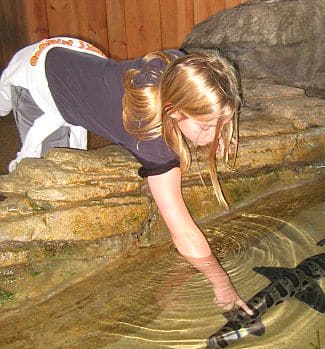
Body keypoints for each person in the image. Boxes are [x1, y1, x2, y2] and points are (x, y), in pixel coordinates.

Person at [0, 37, 253, 315]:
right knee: (42, 174)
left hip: (70, 54)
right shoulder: (150, 139)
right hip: (38, 78)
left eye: (221, 125)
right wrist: (220, 281)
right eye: (206, 126)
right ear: (173, 110)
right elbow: (182, 232)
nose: (213, 133)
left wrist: (214, 132)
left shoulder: (173, 65)